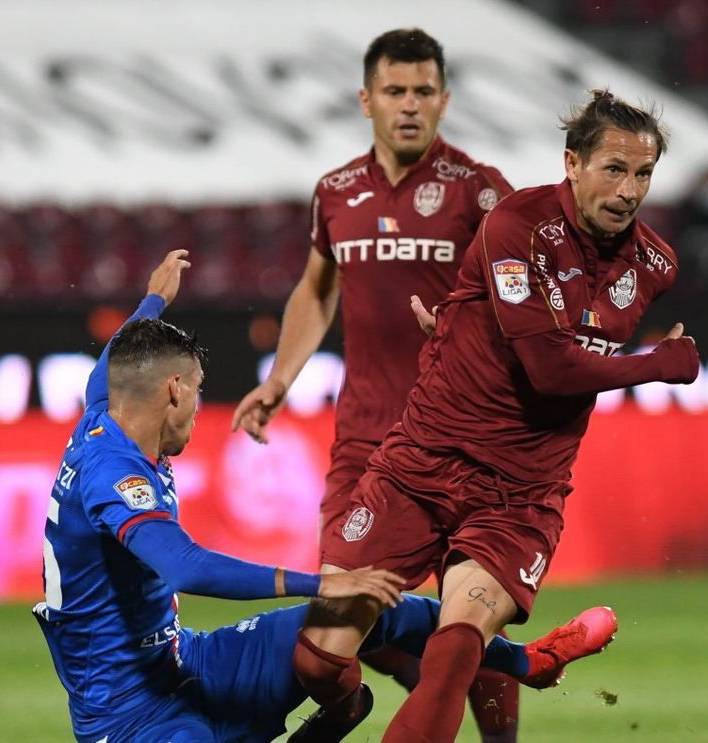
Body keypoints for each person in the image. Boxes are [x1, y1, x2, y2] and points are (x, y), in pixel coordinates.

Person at [35, 250, 618, 743]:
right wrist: (323, 581)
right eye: (197, 391)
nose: (196, 408)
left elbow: (120, 353)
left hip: (188, 661)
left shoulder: (104, 406)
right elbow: (184, 566)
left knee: (373, 611)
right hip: (131, 717)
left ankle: (530, 662)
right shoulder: (115, 478)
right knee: (341, 596)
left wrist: (153, 300)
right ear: (173, 389)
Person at [291, 90, 700, 743]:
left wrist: (454, 323)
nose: (629, 190)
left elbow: (559, 333)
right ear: (572, 162)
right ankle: (351, 708)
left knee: (457, 647)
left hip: (519, 494)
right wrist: (659, 362)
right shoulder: (517, 223)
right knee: (316, 658)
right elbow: (551, 367)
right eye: (614, 169)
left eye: (644, 174)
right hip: (420, 466)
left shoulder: (654, 265)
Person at [230, 27, 523, 741]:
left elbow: (526, 302)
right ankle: (396, 697)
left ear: (445, 99)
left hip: (466, 446)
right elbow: (315, 289)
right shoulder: (335, 193)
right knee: (336, 624)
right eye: (396, 91)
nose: (411, 105)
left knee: (466, 615)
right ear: (367, 99)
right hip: (366, 445)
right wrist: (280, 378)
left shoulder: (481, 192)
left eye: (424, 91)